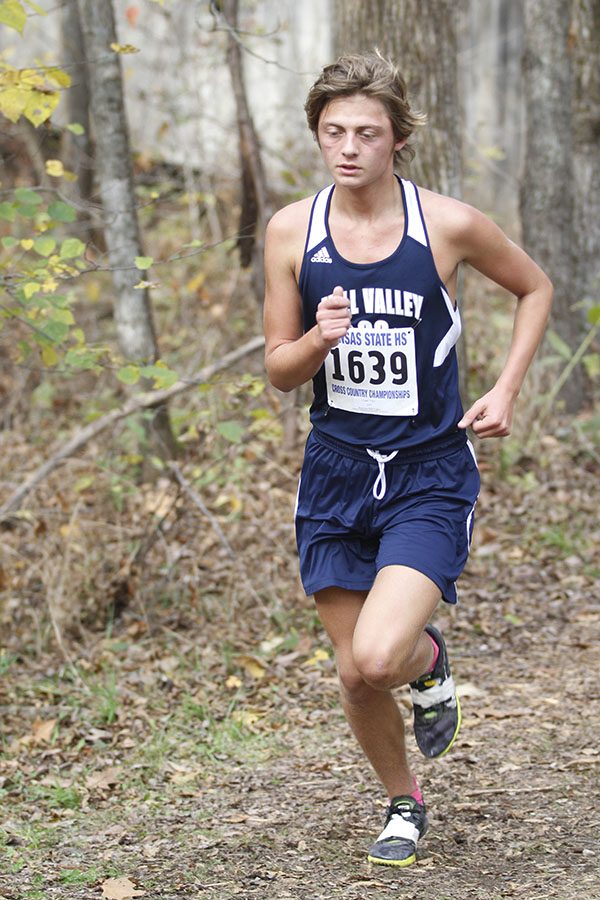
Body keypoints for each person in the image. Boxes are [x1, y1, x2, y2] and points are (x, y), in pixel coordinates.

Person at [263, 51, 552, 868]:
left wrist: (506, 387)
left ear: (397, 139)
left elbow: (535, 287)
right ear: (318, 136)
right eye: (333, 132)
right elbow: (278, 370)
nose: (348, 147)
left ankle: (427, 661)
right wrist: (317, 340)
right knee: (355, 677)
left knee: (382, 655)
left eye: (366, 132)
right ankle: (403, 801)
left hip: (427, 470)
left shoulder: (445, 225)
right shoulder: (293, 230)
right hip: (335, 474)